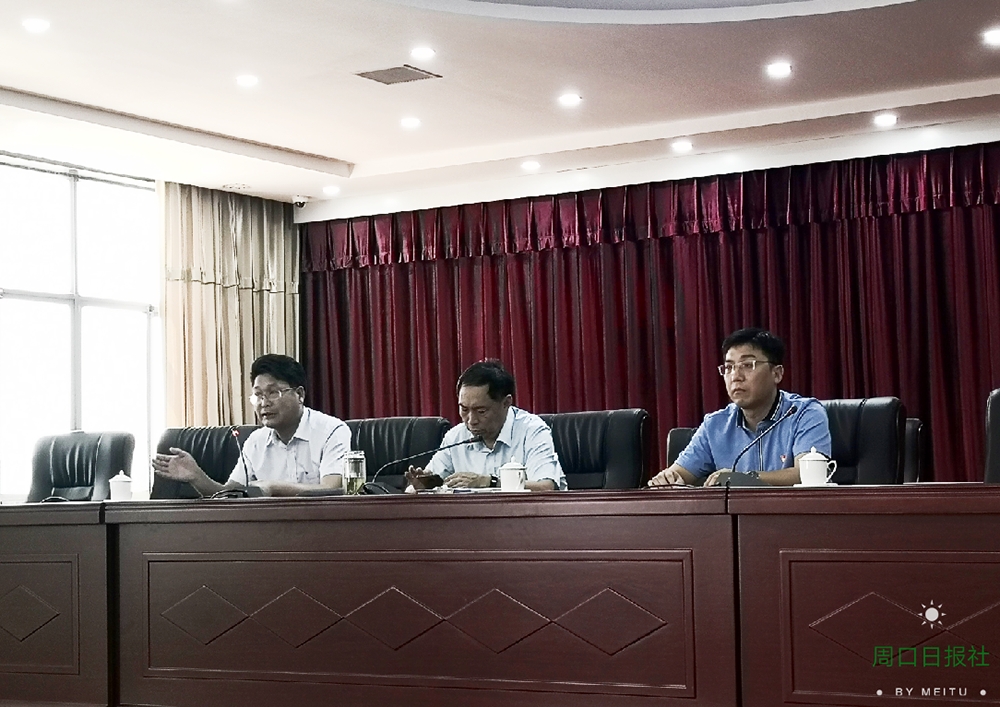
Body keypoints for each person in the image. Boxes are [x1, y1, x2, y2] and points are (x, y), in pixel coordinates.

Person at [648, 327, 831, 487]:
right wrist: (667, 479)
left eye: (747, 365)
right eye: (729, 367)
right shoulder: (715, 425)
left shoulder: (804, 413)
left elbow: (808, 475)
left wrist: (744, 478)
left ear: (776, 373)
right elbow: (679, 474)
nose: (736, 376)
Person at [152, 354, 351, 497]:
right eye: (258, 395)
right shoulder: (256, 441)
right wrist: (196, 477)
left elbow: (333, 489)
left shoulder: (332, 431)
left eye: (273, 393)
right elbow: (230, 495)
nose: (264, 403)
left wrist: (272, 488)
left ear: (299, 394)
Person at [407, 360, 567, 491]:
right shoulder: (456, 437)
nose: (471, 420)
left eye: (481, 411)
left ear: (506, 403)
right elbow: (419, 486)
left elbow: (546, 488)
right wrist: (421, 487)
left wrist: (489, 482)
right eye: (464, 409)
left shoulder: (532, 431)